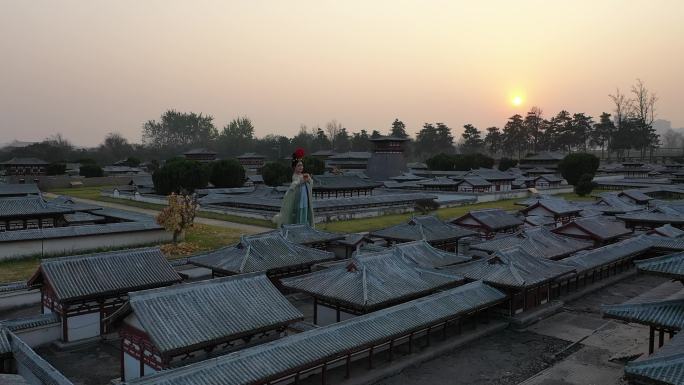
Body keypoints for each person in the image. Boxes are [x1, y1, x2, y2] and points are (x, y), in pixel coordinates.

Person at [273, 149, 314, 227]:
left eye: (301, 165)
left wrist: (309, 180)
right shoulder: (295, 176)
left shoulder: (304, 175)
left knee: (305, 211)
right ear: (294, 167)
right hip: (298, 198)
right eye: (298, 165)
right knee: (299, 213)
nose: (301, 167)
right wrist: (302, 180)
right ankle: (298, 228)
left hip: (305, 198)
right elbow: (295, 183)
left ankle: (305, 227)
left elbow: (310, 183)